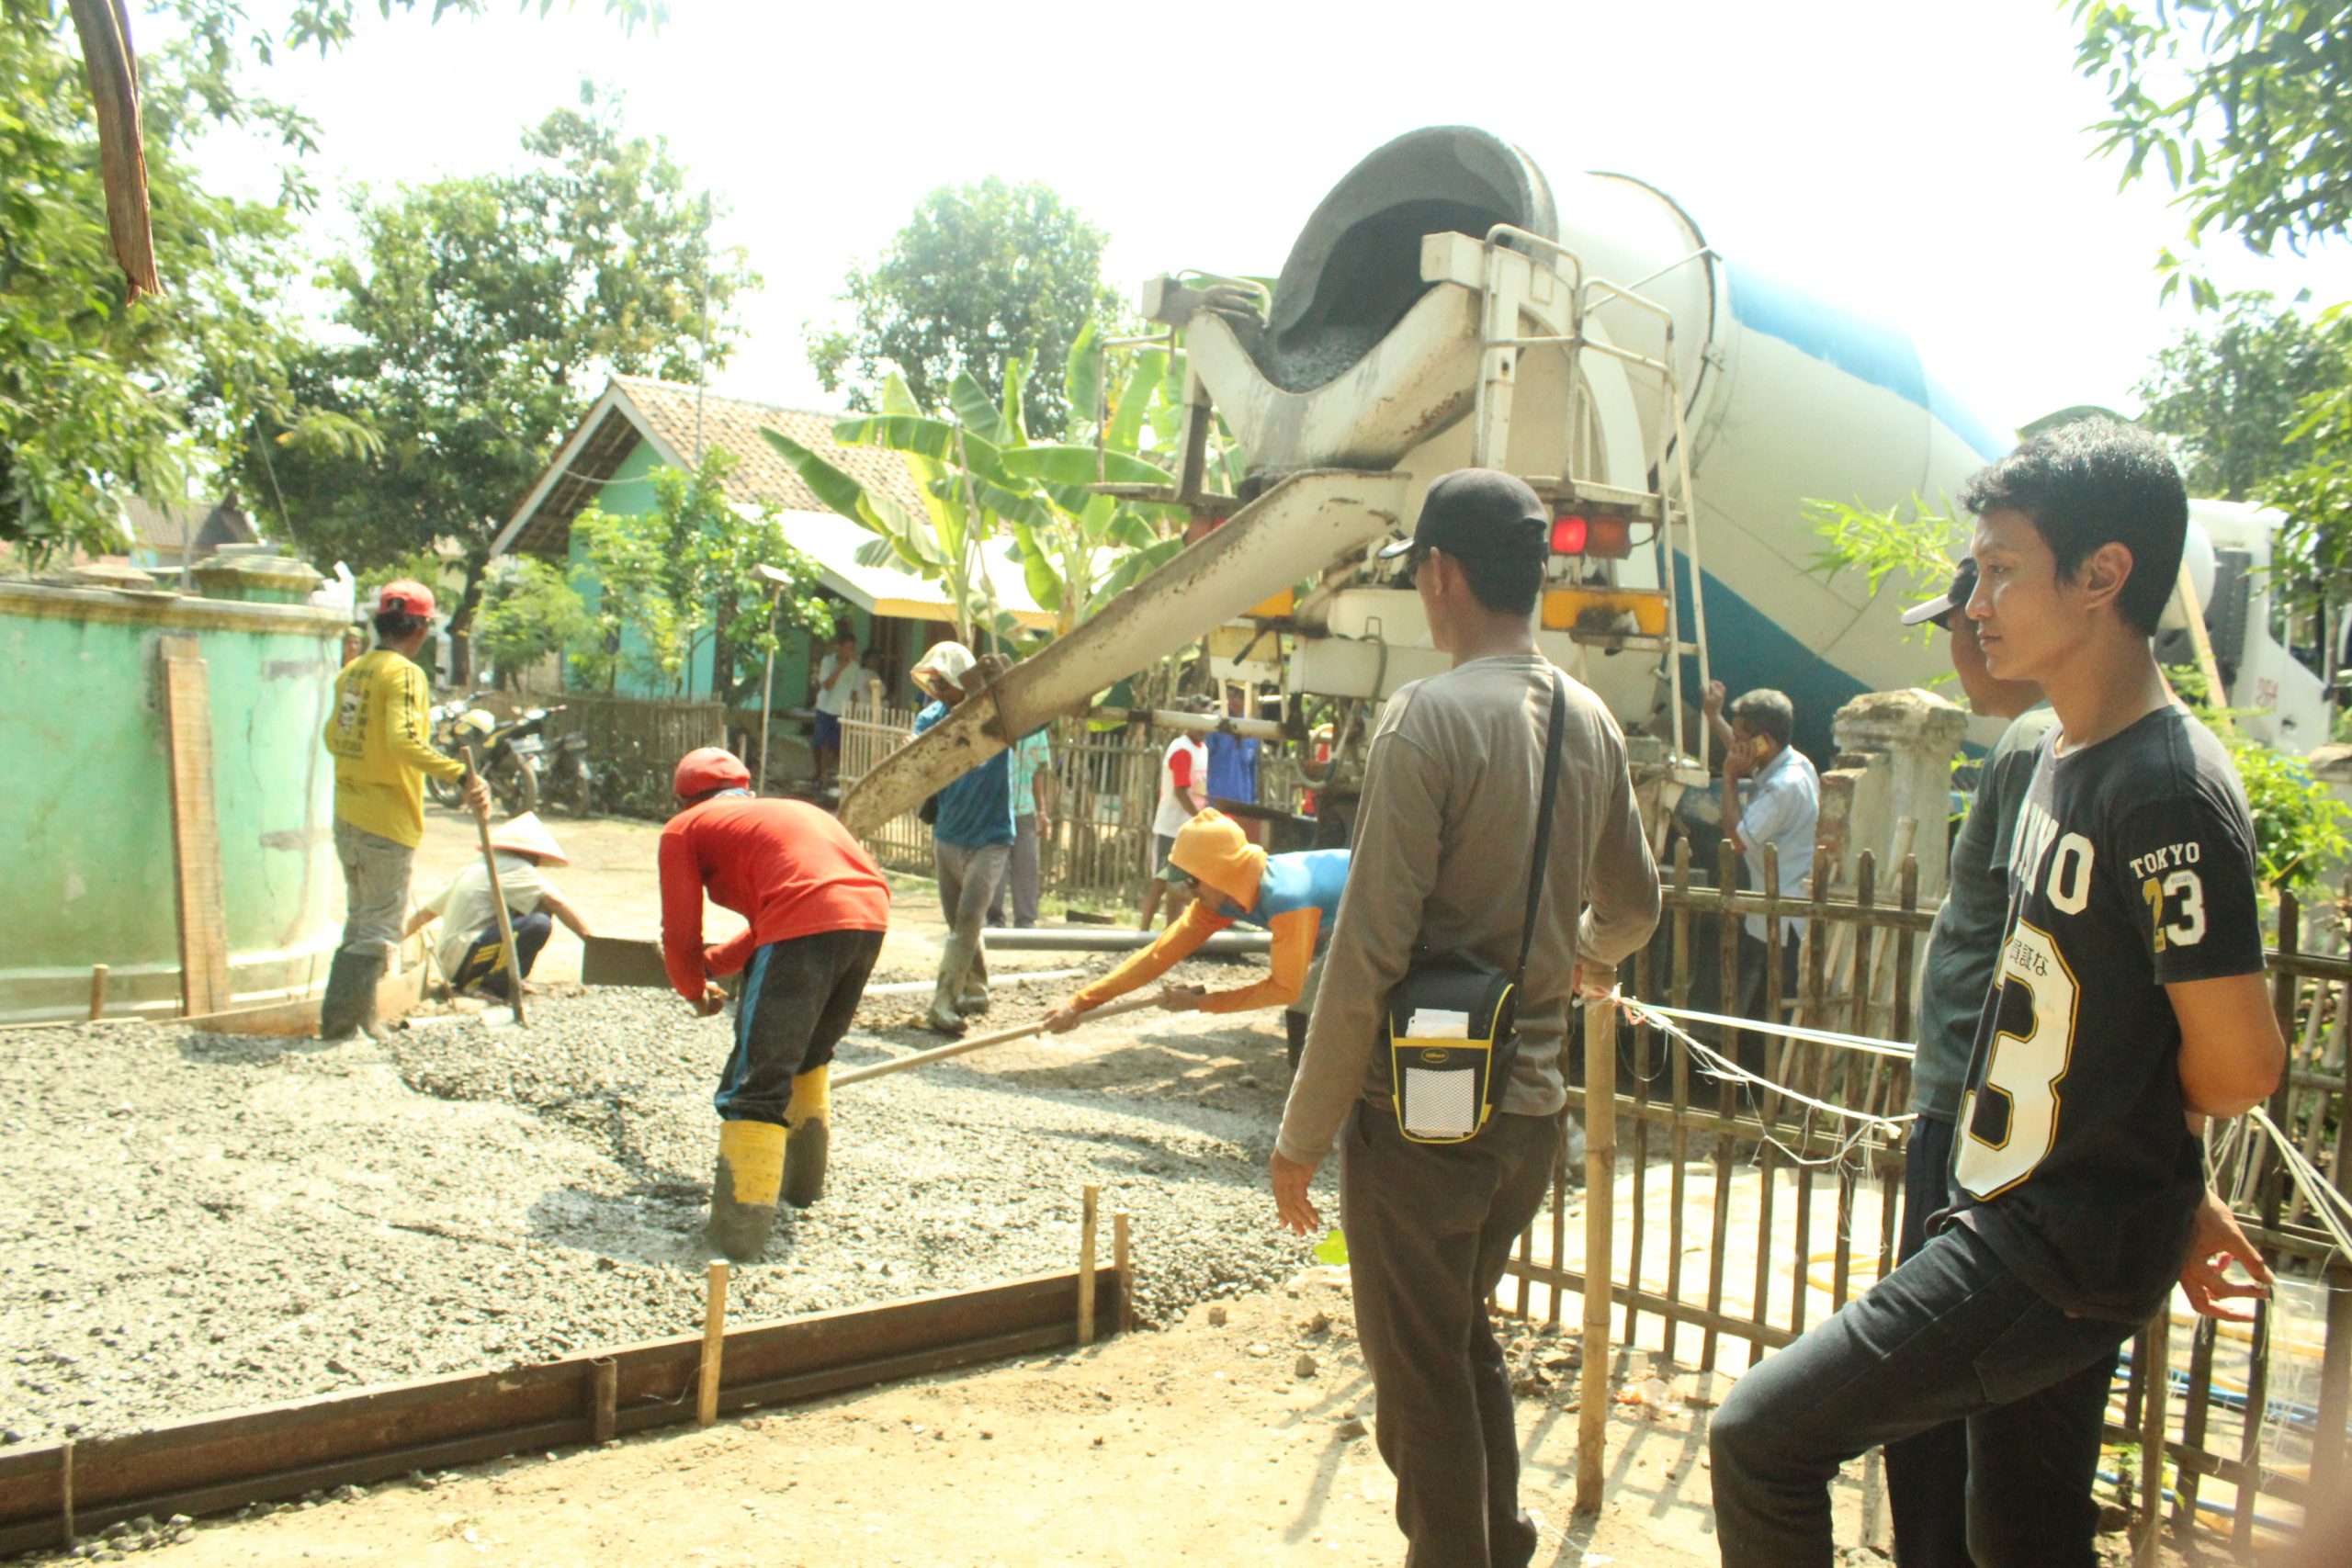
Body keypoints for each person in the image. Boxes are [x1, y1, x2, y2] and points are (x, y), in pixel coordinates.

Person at [1709, 420, 2288, 1568]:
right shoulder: (2060, 752)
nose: (1974, 600)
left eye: (2002, 569)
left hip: (2052, 1240)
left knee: (1761, 1440)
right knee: (2016, 1535)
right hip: (2017, 1202)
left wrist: (2153, 1183)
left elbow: (2241, 1064)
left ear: (2102, 577)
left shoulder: (2165, 788)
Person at [1270, 469, 1662, 1568]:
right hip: (1528, 1121)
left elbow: (1366, 955)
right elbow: (1635, 904)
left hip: (1420, 1121)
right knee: (1452, 1341)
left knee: (1417, 1390)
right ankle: (1506, 1538)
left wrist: (1301, 1136)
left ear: (1440, 574)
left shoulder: (1427, 720)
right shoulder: (1591, 719)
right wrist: (1584, 959)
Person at [660, 746, 891, 1259]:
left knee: (756, 1082)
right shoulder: (790, 812)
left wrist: (692, 989)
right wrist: (713, 964)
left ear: (682, 799)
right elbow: (787, 913)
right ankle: (800, 1193)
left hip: (807, 919)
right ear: (744, 788)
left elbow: (679, 935)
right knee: (807, 1056)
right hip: (869, 916)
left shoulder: (685, 828)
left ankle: (737, 1239)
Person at [1042, 808, 1348, 1070]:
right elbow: (1157, 956)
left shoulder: (1287, 900)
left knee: (1320, 1015)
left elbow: (1285, 989)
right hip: (1352, 917)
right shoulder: (1220, 899)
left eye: (1191, 880)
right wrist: (1078, 1003)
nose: (1186, 890)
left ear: (1220, 872)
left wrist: (1201, 1003)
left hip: (1390, 903)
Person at [319, 580, 489, 1040]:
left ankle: (360, 1021)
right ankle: (338, 1030)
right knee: (377, 929)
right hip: (385, 819)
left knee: (359, 920)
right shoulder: (405, 674)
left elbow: (333, 738)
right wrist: (459, 774)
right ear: (419, 631)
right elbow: (405, 742)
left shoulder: (352, 672)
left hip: (348, 813)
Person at [1702, 682, 1818, 1072]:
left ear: (1764, 741)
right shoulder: (1786, 763)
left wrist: (1729, 778)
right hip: (1771, 915)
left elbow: (1737, 838)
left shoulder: (1786, 786)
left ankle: (1765, 1094)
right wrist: (1713, 716)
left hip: (1782, 922)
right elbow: (1742, 754)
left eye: (1742, 739)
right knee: (1759, 1012)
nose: (1734, 746)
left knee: (1770, 1019)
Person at [911, 641, 1015, 1035]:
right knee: (959, 921)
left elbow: (1035, 717)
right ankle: (977, 990)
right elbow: (919, 761)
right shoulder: (930, 720)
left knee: (970, 917)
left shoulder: (995, 716)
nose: (937, 690)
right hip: (949, 833)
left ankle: (942, 1002)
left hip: (990, 837)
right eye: (933, 682)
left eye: (943, 682)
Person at [403, 812, 593, 1001]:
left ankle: (511, 979)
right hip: (466, 956)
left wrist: (393, 941)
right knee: (539, 923)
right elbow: (557, 903)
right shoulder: (516, 868)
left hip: (451, 961)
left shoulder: (478, 866)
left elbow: (426, 914)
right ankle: (488, 985)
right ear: (528, 854)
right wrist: (594, 944)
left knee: (535, 908)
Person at [1139, 701, 1212, 930]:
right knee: (1161, 881)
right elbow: (1181, 790)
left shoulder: (1202, 749)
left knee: (1178, 883)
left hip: (1189, 827)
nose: (1205, 727)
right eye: (1199, 721)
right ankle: (1142, 931)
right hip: (1173, 826)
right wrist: (1199, 817)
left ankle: (1170, 932)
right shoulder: (1182, 749)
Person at [989, 727, 1057, 929]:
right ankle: (994, 918)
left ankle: (1026, 919)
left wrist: (1042, 811)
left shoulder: (1038, 731)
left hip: (1025, 808)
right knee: (995, 865)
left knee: (1027, 864)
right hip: (996, 808)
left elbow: (1038, 772)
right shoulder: (997, 724)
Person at [1205, 682, 1263, 841]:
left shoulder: (1253, 727)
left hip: (1242, 804)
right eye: (1233, 694)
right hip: (1217, 801)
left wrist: (1252, 804)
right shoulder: (1215, 723)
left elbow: (1253, 769)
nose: (1236, 699)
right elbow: (1204, 760)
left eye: (1241, 695)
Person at [811, 630, 863, 784]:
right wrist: (840, 667)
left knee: (836, 745)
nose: (849, 652)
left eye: (852, 649)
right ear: (839, 648)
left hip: (842, 711)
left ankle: (827, 774)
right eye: (847, 648)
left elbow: (855, 692)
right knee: (819, 742)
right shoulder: (828, 661)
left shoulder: (855, 668)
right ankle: (818, 772)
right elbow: (827, 685)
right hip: (825, 707)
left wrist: (853, 712)